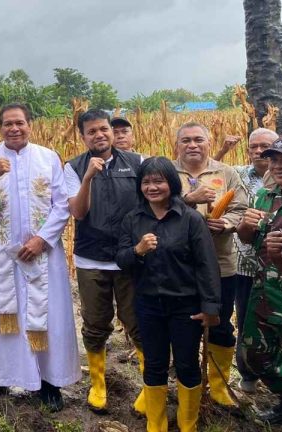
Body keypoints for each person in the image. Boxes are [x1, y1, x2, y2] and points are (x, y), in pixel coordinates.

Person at [0, 103, 81, 411]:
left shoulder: (48, 158)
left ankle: (48, 382)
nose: (14, 128)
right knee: (7, 316)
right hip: (5, 258)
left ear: (30, 124)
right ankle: (1, 375)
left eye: (19, 122)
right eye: (7, 124)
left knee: (48, 313)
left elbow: (62, 205)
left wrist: (42, 239)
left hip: (44, 255)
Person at [116, 157, 221, 432]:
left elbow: (207, 265)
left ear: (171, 184)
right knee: (154, 364)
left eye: (159, 181)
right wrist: (137, 250)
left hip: (185, 306)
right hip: (149, 305)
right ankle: (156, 425)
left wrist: (210, 307)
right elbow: (121, 260)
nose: (152, 187)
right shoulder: (133, 219)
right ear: (140, 186)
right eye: (146, 182)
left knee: (187, 364)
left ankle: (188, 424)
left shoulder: (191, 219)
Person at [64, 109, 145, 414]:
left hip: (129, 258)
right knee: (95, 324)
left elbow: (153, 199)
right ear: (82, 137)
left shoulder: (136, 163)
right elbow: (78, 212)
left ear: (112, 131)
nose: (99, 135)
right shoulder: (73, 167)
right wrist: (87, 179)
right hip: (91, 259)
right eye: (91, 132)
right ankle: (98, 385)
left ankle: (150, 385)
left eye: (103, 129)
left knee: (137, 321)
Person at [172, 122, 247, 409]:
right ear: (176, 144)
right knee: (183, 328)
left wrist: (227, 223)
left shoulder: (226, 173)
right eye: (186, 140)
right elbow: (154, 209)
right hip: (179, 267)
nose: (192, 145)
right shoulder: (167, 172)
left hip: (220, 263)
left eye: (198, 140)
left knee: (220, 324)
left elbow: (241, 208)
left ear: (209, 141)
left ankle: (218, 385)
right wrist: (188, 200)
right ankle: (187, 383)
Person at [236, 136, 282, 424]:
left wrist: (280, 254)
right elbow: (248, 239)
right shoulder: (263, 197)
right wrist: (245, 224)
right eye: (275, 160)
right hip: (264, 292)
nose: (279, 166)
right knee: (255, 355)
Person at [228, 128, 276, 393]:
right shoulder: (236, 175)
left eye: (264, 147)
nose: (258, 152)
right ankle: (248, 376)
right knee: (247, 319)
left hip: (281, 269)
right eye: (253, 147)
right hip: (246, 267)